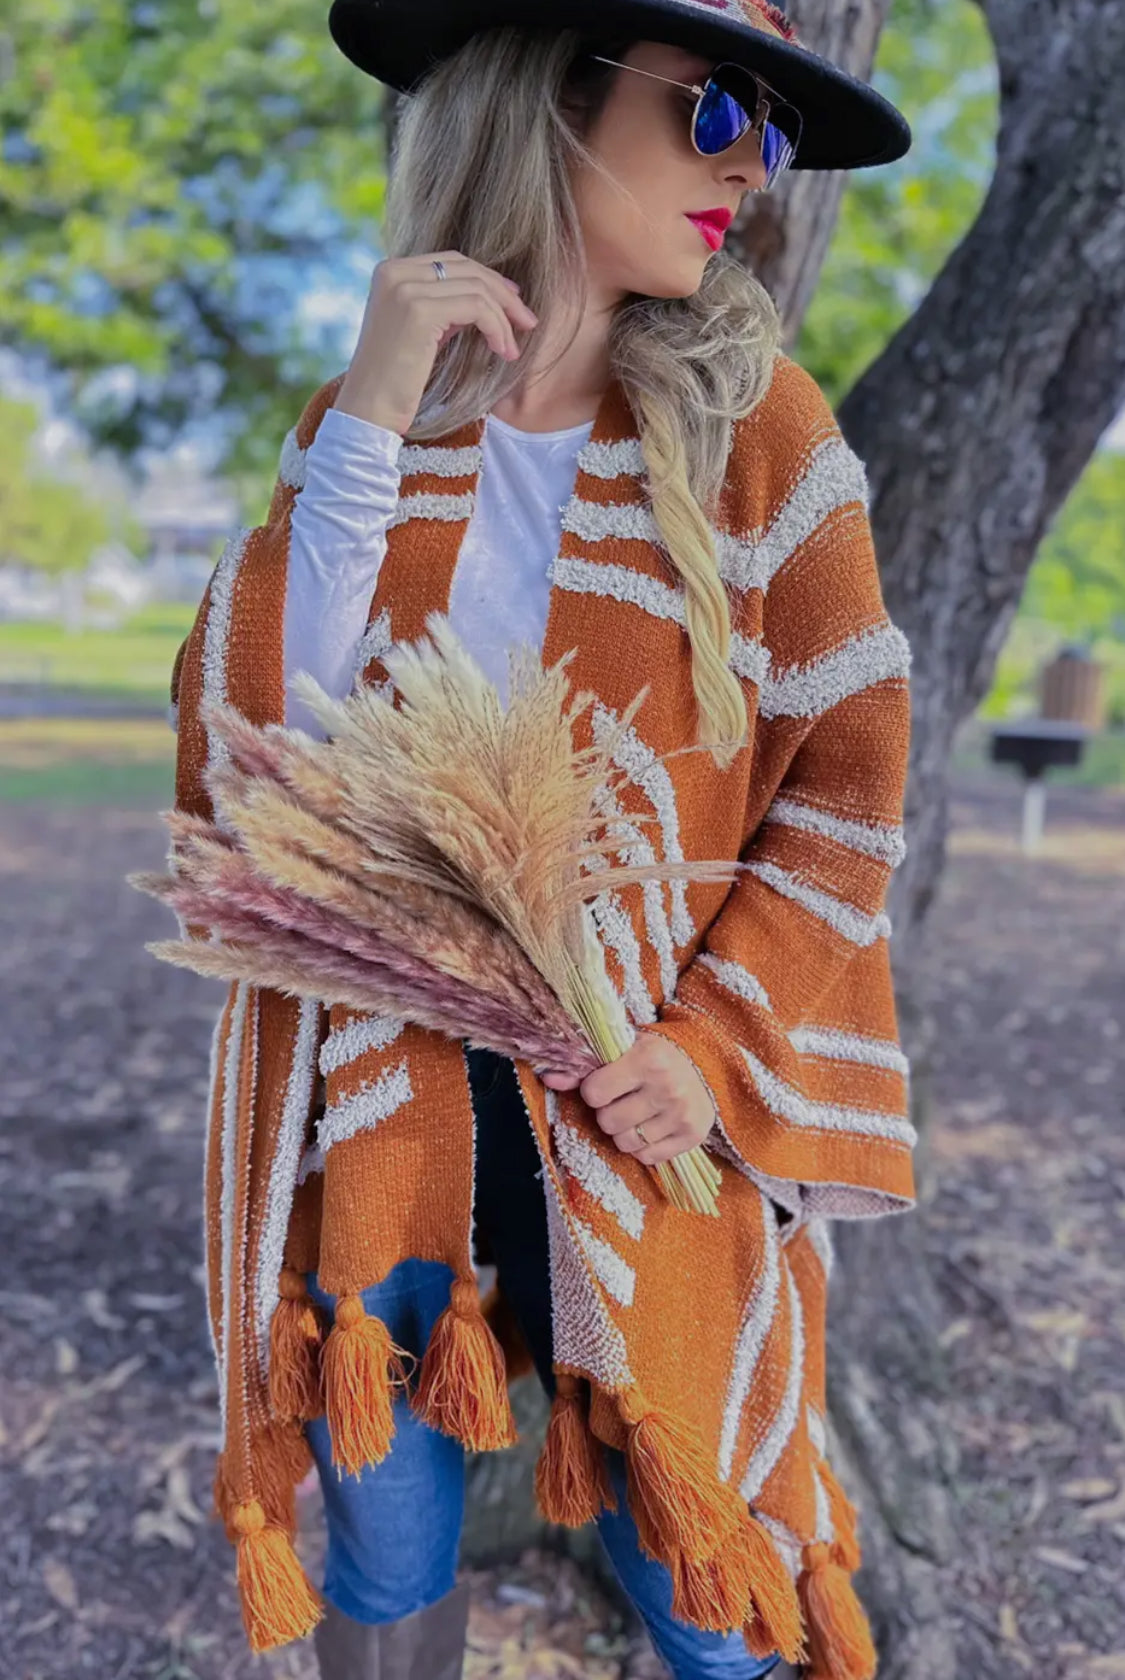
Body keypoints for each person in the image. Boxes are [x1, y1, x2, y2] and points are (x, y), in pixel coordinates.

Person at [165, 4, 916, 1677]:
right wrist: (367, 416)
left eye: (772, 134)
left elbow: (850, 785)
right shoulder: (363, 420)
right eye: (716, 105)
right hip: (378, 1098)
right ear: (547, 98)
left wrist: (710, 1050)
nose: (750, 168)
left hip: (641, 1110)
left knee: (711, 1582)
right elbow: (247, 766)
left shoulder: (756, 432)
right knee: (384, 1554)